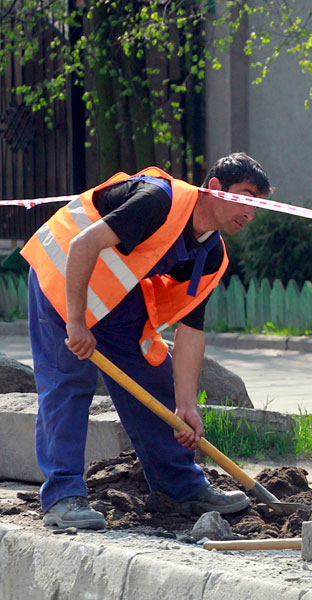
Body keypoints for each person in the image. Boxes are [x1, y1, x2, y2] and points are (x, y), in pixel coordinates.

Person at [22, 152, 270, 529]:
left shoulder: (211, 253)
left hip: (116, 299)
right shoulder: (158, 201)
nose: (249, 213)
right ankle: (63, 498)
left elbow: (190, 332)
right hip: (62, 282)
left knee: (153, 376)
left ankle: (181, 487)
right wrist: (75, 323)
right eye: (245, 197)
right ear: (215, 187)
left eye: (257, 205)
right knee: (69, 383)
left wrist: (186, 407)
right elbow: (82, 246)